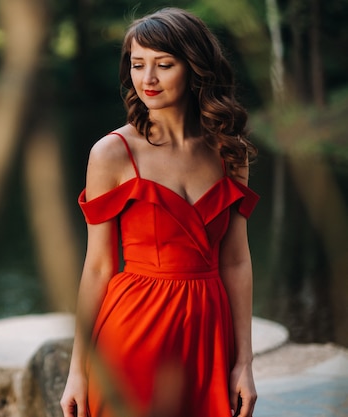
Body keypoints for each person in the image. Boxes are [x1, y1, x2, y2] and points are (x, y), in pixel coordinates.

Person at [60, 7, 259, 417]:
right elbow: (97, 267)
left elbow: (236, 261)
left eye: (164, 65)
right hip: (133, 333)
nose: (147, 79)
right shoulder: (112, 153)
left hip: (209, 335)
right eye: (137, 65)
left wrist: (245, 362)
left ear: (194, 69)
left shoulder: (229, 150)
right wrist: (77, 370)